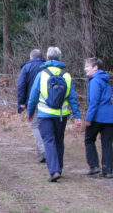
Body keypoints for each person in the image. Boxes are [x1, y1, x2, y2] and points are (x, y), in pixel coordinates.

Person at [27, 47, 81, 182]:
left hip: (45, 114)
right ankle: (59, 168)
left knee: (49, 141)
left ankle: (54, 170)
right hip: (62, 115)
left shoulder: (42, 74)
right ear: (60, 58)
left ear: (48, 57)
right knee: (59, 141)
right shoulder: (66, 75)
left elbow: (33, 96)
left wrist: (30, 112)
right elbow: (72, 98)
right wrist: (77, 116)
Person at [83, 58, 113, 178]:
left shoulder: (95, 81)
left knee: (89, 139)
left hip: (97, 116)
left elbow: (94, 102)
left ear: (95, 68)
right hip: (110, 117)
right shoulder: (105, 80)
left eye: (87, 66)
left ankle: (94, 166)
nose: (85, 69)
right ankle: (108, 169)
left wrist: (88, 118)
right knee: (107, 143)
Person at [17, 49, 46, 162]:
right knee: (45, 125)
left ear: (31, 57)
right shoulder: (46, 67)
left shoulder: (26, 67)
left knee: (35, 126)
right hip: (47, 101)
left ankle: (42, 150)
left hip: (32, 101)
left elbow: (21, 85)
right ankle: (48, 149)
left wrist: (21, 102)